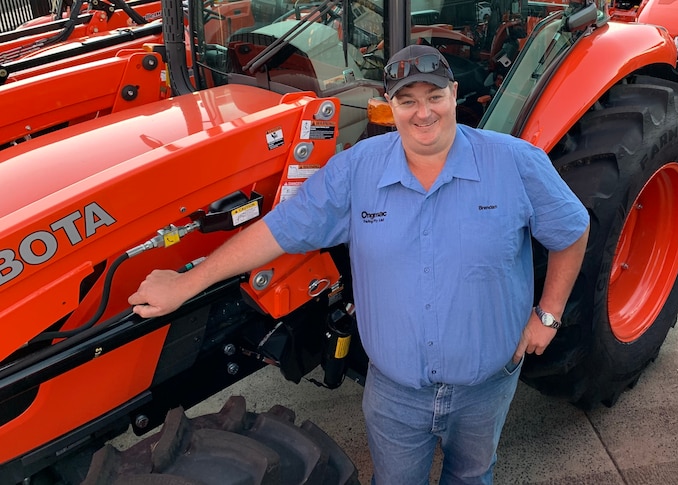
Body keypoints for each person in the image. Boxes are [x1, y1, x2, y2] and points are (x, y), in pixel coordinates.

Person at [129, 44, 589, 484]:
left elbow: (572, 229)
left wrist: (547, 314)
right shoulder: (357, 172)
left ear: (453, 95)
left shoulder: (514, 163)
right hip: (395, 396)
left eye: (434, 96)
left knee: (472, 474)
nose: (423, 112)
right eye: (407, 100)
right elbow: (278, 231)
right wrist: (189, 282)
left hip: (485, 387)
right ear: (390, 106)